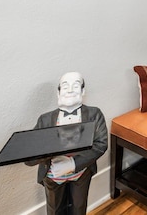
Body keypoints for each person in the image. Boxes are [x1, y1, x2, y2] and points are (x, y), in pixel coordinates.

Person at [25, 72, 107, 215]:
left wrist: (72, 164)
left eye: (75, 86)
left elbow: (101, 144)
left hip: (81, 173)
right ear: (58, 92)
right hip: (53, 175)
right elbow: (31, 153)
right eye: (65, 86)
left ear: (83, 91)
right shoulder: (44, 120)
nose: (70, 90)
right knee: (54, 210)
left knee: (79, 208)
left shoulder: (94, 114)